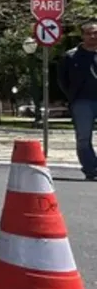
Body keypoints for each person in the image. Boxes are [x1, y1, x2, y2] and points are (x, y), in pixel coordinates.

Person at [57, 20, 97, 180]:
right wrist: (72, 96)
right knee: (83, 137)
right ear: (83, 36)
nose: (93, 36)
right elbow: (62, 80)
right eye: (89, 33)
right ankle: (91, 169)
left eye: (96, 33)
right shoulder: (70, 56)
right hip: (82, 101)